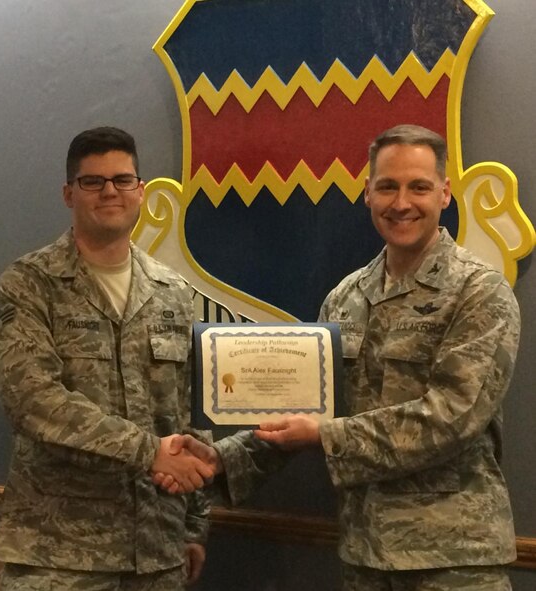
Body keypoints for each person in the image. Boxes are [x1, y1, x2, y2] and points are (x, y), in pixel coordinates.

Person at [160, 124, 521, 590]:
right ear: (367, 192)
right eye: (387, 186)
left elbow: (452, 417)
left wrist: (324, 434)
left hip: (454, 559)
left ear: (445, 194)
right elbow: (307, 410)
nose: (402, 202)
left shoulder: (479, 292)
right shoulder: (346, 298)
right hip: (364, 554)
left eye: (419, 187)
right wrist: (220, 458)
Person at [0, 126, 213, 590]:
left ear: (141, 192)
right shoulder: (29, 284)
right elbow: (32, 401)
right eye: (93, 182)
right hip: (57, 556)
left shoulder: (172, 293)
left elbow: (190, 413)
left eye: (122, 179)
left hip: (155, 551)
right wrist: (148, 451)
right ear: (69, 194)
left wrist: (193, 526)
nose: (110, 191)